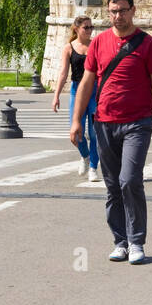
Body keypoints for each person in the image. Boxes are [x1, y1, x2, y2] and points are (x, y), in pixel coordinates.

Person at [70, 0, 152, 266]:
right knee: (113, 185)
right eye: (113, 11)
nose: (118, 16)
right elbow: (87, 84)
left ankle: (136, 241)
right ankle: (120, 241)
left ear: (133, 11)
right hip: (104, 122)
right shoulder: (99, 43)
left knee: (129, 180)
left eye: (123, 10)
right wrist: (77, 120)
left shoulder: (147, 44)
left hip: (137, 123)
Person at [53, 16, 99, 181]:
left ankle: (93, 167)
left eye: (91, 27)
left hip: (94, 92)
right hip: (76, 91)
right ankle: (85, 156)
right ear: (77, 29)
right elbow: (64, 73)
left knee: (95, 134)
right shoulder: (69, 48)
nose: (89, 30)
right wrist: (56, 95)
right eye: (86, 27)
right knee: (75, 133)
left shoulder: (96, 45)